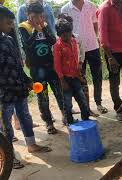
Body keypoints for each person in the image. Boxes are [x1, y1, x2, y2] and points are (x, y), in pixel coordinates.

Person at [0, 5, 52, 169]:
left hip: (20, 90)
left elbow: (17, 66)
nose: (10, 27)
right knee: (5, 127)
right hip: (4, 95)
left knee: (25, 117)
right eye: (8, 23)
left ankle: (32, 145)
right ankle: (8, 157)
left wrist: (27, 81)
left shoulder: (8, 40)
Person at [19, 2, 65, 134]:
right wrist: (35, 31)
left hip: (50, 65)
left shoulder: (44, 25)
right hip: (36, 68)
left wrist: (43, 28)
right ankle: (49, 122)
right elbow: (27, 46)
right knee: (42, 95)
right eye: (34, 16)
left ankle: (65, 116)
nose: (38, 19)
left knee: (58, 91)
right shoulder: (23, 27)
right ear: (28, 15)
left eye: (40, 16)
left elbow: (53, 41)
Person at [61, 0, 108, 115]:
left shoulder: (91, 6)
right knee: (81, 79)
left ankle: (99, 103)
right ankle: (86, 108)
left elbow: (95, 24)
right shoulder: (65, 9)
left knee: (97, 76)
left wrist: (94, 36)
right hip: (76, 51)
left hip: (93, 46)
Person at [54, 16, 90, 125]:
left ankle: (86, 120)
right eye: (64, 35)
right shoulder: (57, 46)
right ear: (59, 35)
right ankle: (69, 122)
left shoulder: (74, 41)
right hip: (65, 79)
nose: (68, 36)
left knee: (82, 99)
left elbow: (76, 58)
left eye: (69, 33)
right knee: (68, 103)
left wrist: (79, 72)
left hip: (75, 77)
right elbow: (57, 65)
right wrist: (62, 81)